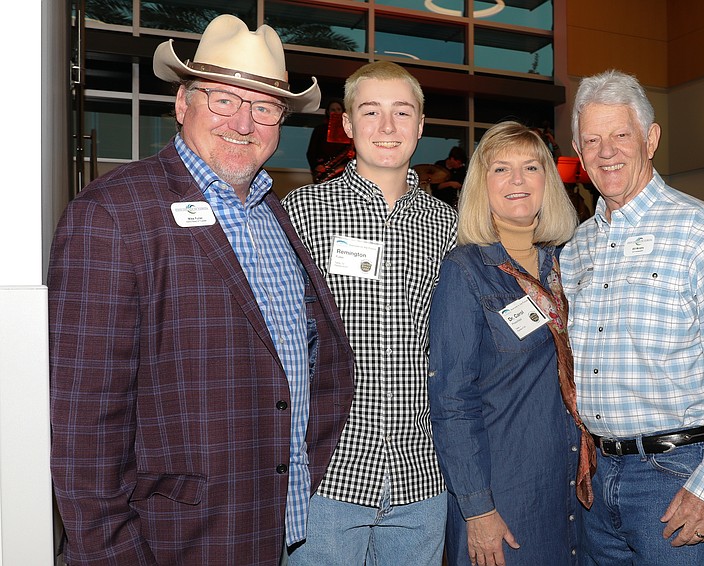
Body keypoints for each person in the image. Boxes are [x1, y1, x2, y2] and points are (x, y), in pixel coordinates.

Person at [48, 14, 355, 565]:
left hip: (267, 526)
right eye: (222, 100)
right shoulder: (113, 213)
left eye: (264, 107)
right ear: (182, 103)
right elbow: (83, 422)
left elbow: (301, 360)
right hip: (168, 539)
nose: (244, 122)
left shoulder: (273, 214)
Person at [559, 69, 704, 565]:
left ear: (650, 139)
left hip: (675, 477)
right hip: (597, 480)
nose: (606, 151)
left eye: (620, 135)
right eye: (592, 140)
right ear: (578, 153)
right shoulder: (577, 247)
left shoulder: (699, 228)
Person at [282, 60, 457, 566]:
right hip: (328, 479)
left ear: (421, 127)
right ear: (348, 125)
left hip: (422, 479)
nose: (387, 127)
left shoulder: (448, 226)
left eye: (402, 113)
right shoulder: (302, 212)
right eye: (371, 111)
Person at [428, 121, 590, 566]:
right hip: (505, 495)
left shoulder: (570, 264)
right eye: (501, 169)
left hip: (573, 487)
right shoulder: (465, 271)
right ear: (483, 184)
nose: (517, 180)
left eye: (530, 167)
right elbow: (452, 402)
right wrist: (478, 508)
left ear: (547, 181)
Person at [306, 98, 354, 183]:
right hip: (324, 170)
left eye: (339, 109)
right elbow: (311, 152)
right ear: (328, 112)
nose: (336, 112)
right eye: (333, 110)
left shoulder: (349, 130)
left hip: (344, 172)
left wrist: (353, 153)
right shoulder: (320, 129)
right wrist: (316, 166)